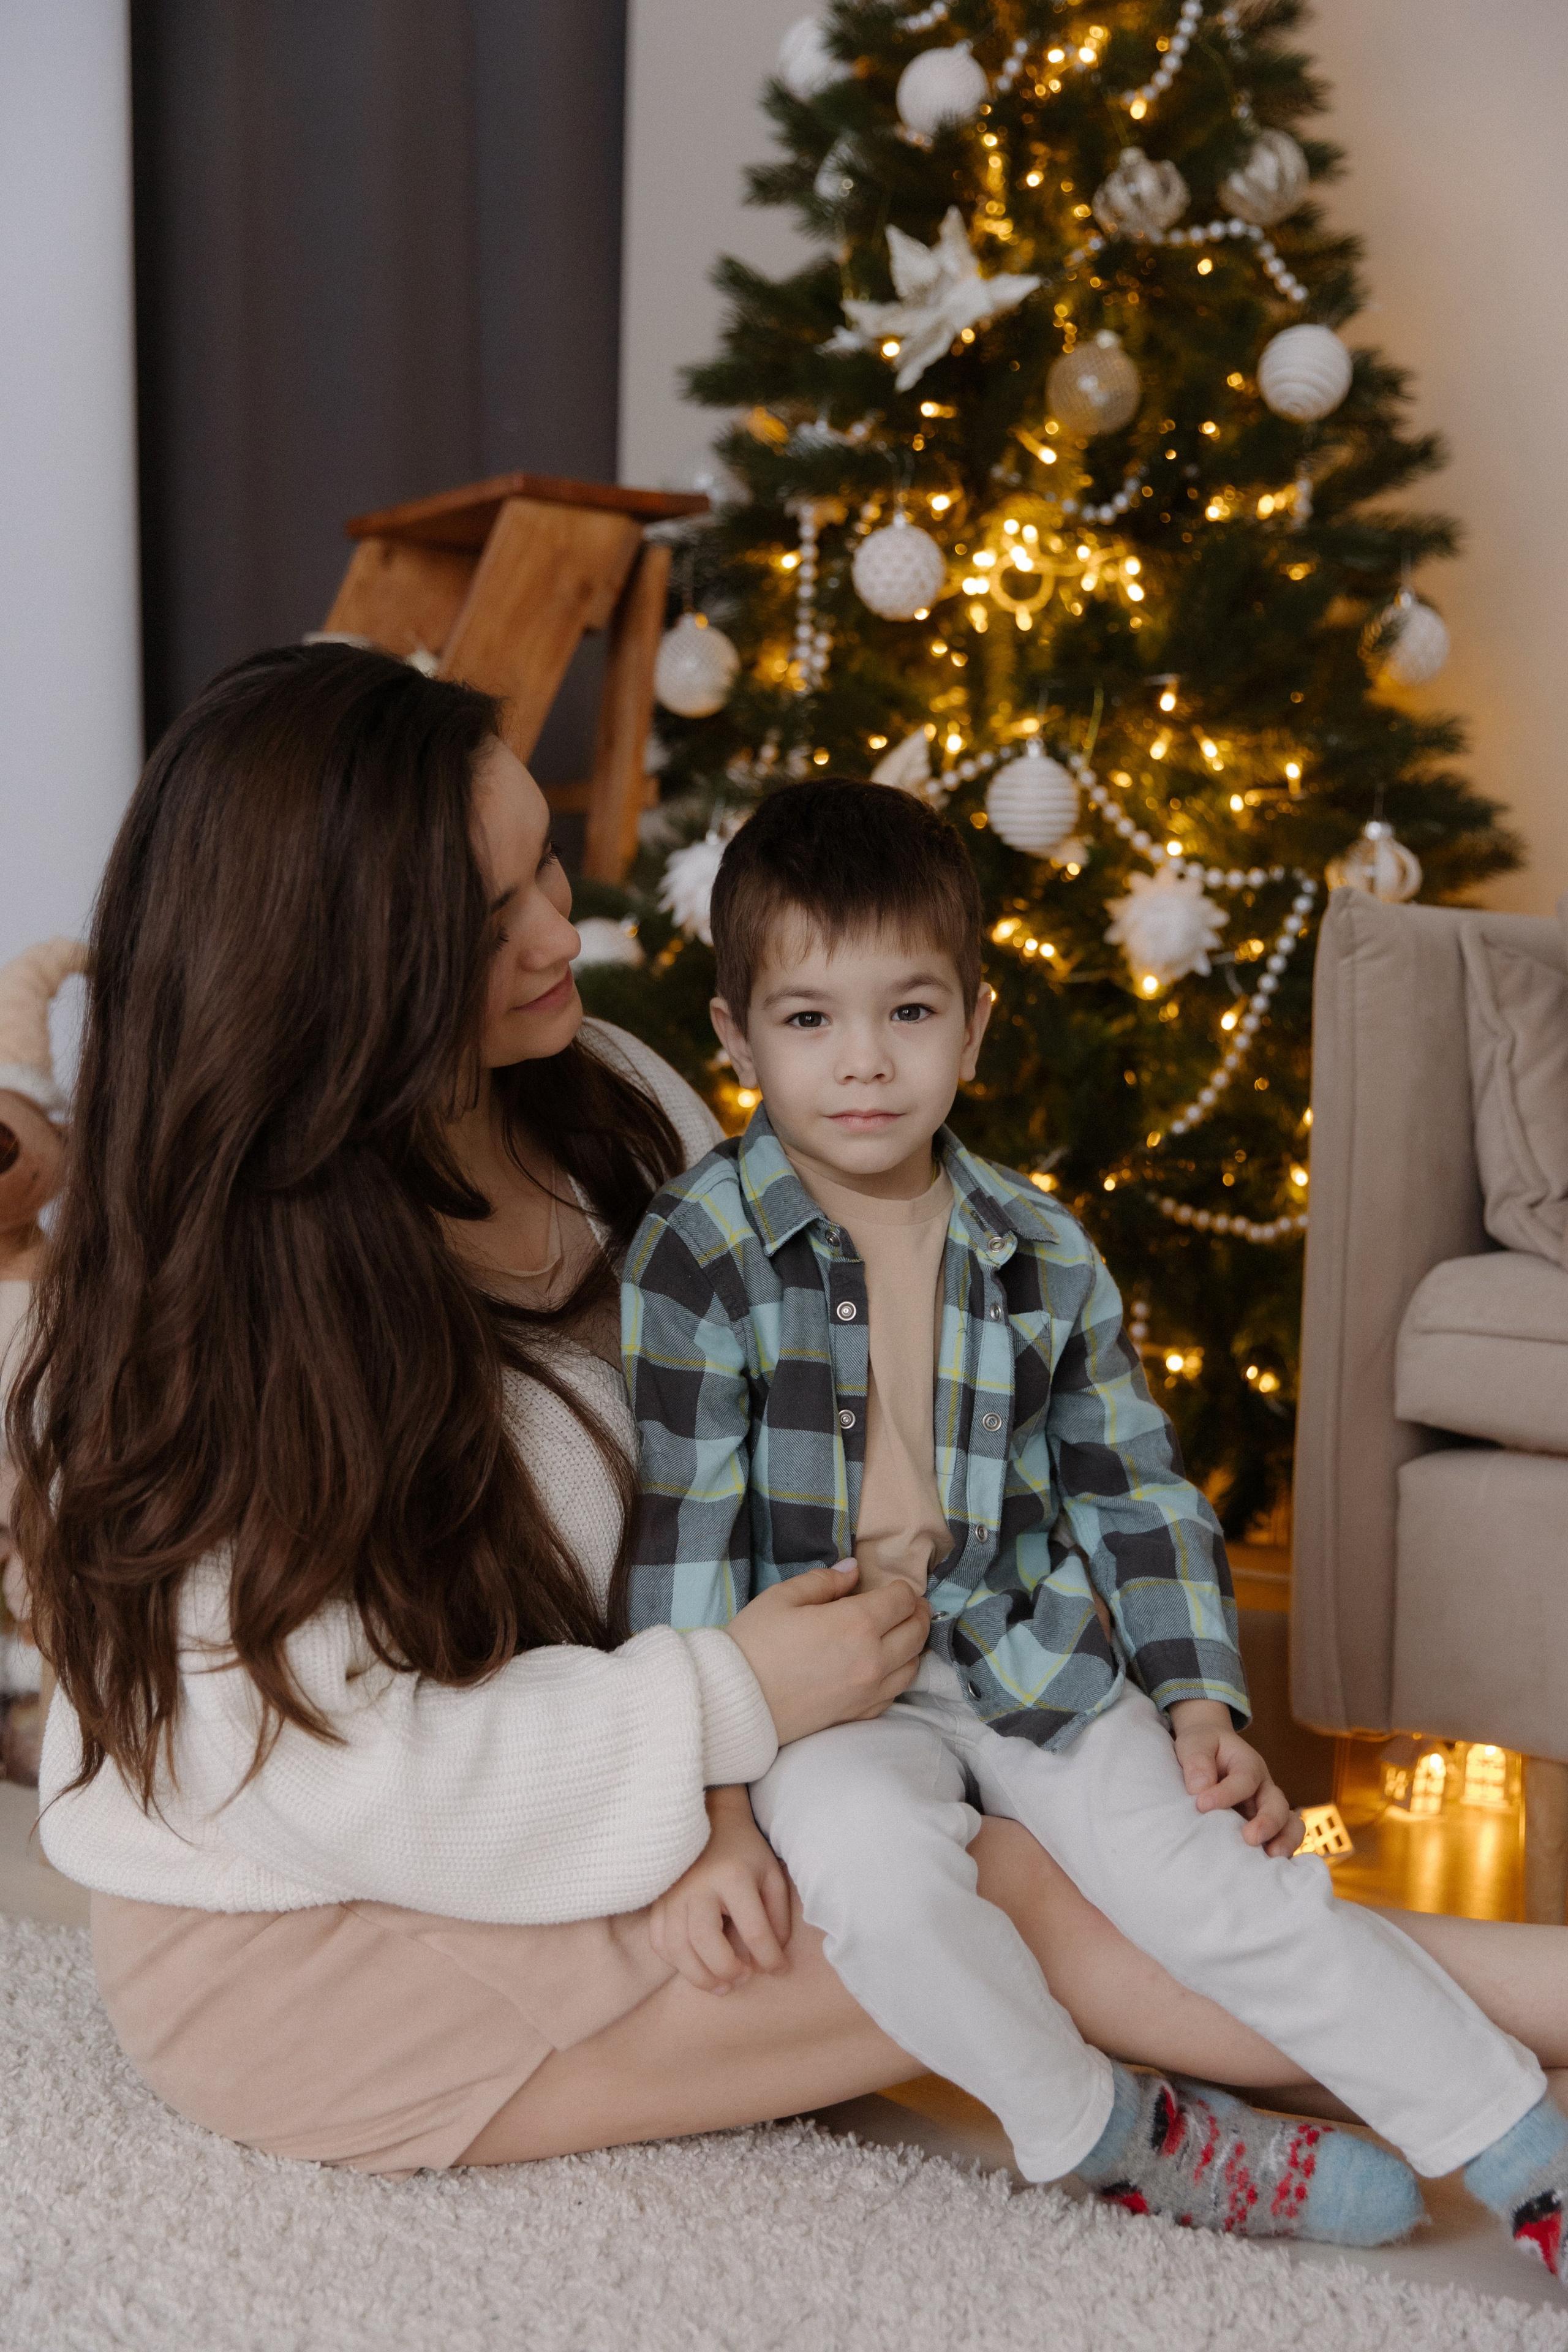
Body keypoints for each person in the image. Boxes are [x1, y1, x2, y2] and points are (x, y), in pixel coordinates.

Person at [12, 648, 1567, 2206]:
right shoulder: (225, 1340)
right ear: (350, 979)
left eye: (543, 858)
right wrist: (723, 1721)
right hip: (323, 1937)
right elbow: (346, 1779)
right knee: (999, 1900)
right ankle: (1260, 2099)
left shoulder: (608, 1100)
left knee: (1058, 1857)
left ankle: (1470, 2050)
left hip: (646, 1783)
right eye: (489, 927)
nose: (562, 930)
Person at [623, 778, 1568, 2277]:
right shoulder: (698, 1255)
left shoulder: (1038, 1247)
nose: (862, 1065)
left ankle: (1520, 2153)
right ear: (734, 1036)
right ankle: (1115, 2136)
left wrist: (1197, 1696)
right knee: (873, 1883)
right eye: (807, 1022)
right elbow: (680, 1544)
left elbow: (1131, 1488)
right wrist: (710, 1817)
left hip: (1032, 1650)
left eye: (908, 1014)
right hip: (820, 1702)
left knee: (1217, 1885)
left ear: (975, 1026)